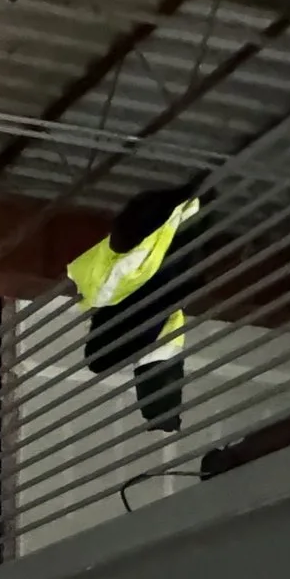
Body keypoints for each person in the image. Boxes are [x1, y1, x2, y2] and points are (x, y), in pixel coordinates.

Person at [67, 184, 207, 433]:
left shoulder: (109, 289)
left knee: (102, 360)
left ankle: (162, 408)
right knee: (101, 360)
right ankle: (161, 408)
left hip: (142, 301)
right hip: (139, 301)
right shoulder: (106, 287)